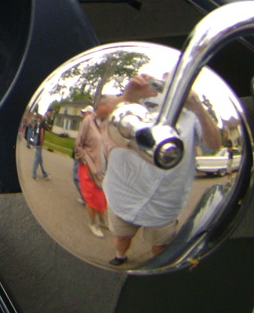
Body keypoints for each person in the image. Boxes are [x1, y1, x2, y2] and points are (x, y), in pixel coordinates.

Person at [102, 75, 221, 266]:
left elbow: (214, 145)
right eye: (164, 82)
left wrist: (197, 106)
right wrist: (128, 96)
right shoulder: (135, 103)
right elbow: (100, 120)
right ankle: (120, 256)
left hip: (164, 202)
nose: (168, 89)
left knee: (160, 246)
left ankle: (156, 267)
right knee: (122, 237)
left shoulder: (192, 115)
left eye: (177, 83)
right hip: (123, 194)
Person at [75, 100, 111, 237]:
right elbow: (78, 144)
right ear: (101, 105)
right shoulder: (88, 121)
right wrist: (85, 160)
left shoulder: (106, 124)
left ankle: (102, 220)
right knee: (91, 198)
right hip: (89, 167)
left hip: (103, 168)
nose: (112, 109)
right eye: (110, 105)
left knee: (102, 196)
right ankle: (92, 223)